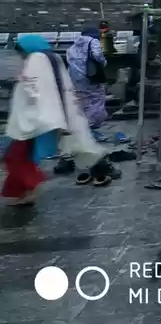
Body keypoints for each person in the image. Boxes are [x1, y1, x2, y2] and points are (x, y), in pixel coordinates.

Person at [3, 34, 107, 205]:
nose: (21, 55)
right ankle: (25, 192)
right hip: (48, 116)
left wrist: (22, 80)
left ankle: (30, 189)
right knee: (23, 156)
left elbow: (32, 87)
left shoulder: (36, 59)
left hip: (32, 119)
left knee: (16, 156)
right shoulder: (53, 58)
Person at [66, 24, 109, 133]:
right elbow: (98, 56)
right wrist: (104, 63)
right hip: (90, 77)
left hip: (76, 79)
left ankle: (83, 124)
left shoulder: (73, 46)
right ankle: (93, 124)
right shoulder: (93, 41)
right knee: (96, 99)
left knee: (82, 100)